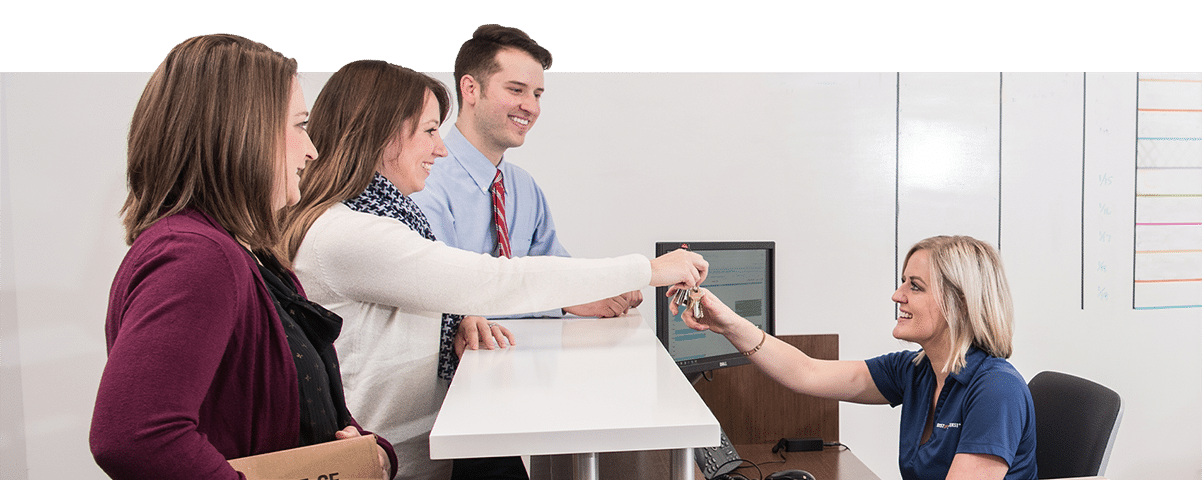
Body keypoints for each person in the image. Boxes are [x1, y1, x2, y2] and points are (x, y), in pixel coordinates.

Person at [279, 59, 708, 480]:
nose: (441, 147)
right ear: (382, 136)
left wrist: (458, 322)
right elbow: (494, 280)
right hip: (389, 459)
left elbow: (436, 292)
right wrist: (646, 270)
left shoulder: (385, 218)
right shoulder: (350, 233)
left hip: (424, 443)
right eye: (429, 131)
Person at [90, 34, 396, 480]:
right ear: (240, 132)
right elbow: (133, 437)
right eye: (298, 125)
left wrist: (373, 455)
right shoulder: (196, 257)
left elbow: (309, 407)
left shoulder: (251, 257)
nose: (311, 150)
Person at [675, 236, 1037, 480]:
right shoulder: (916, 371)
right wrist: (728, 324)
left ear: (959, 302)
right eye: (903, 282)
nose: (897, 295)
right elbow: (807, 373)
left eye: (915, 286)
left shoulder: (996, 390)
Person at [412, 24, 641, 319]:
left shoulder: (523, 187)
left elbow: (557, 273)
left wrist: (603, 286)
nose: (531, 107)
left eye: (537, 94)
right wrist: (562, 301)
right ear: (470, 89)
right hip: (455, 364)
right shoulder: (424, 180)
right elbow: (446, 296)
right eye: (516, 90)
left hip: (523, 357)